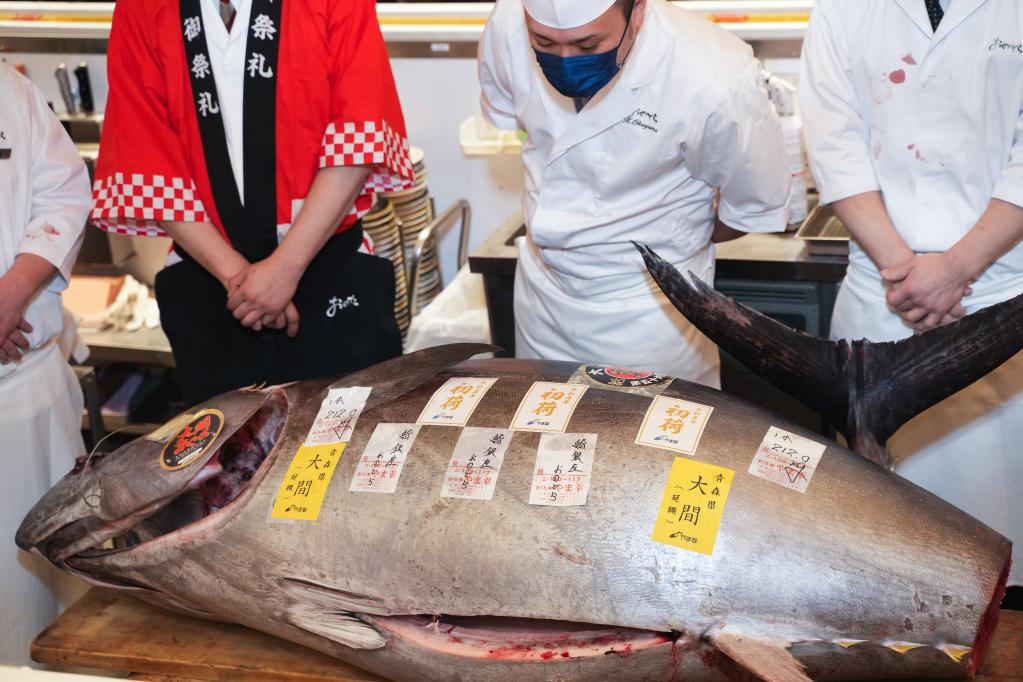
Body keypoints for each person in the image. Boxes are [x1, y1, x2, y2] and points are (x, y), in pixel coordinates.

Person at [800, 0, 1023, 598]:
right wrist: (906, 269)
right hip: (882, 289)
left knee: (1000, 537)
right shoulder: (841, 9)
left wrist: (956, 268)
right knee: (880, 540)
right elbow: (832, 141)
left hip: (998, 295)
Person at [92, 0, 416, 405]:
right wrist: (241, 281)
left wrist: (285, 268)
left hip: (328, 271)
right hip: (212, 284)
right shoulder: (140, 9)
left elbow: (359, 135)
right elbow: (148, 163)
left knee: (348, 449)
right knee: (228, 458)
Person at [478, 0, 790, 387]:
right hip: (544, 300)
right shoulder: (507, 23)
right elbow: (515, 118)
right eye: (544, 43)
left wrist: (678, 234)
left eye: (588, 46)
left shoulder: (714, 70)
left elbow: (753, 203)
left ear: (638, 10)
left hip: (653, 312)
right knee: (548, 437)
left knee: (656, 441)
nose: (566, 59)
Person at [0, 64, 92, 665]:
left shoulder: (11, 89)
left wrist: (10, 296)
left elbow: (64, 192)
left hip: (25, 396)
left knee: (53, 615)